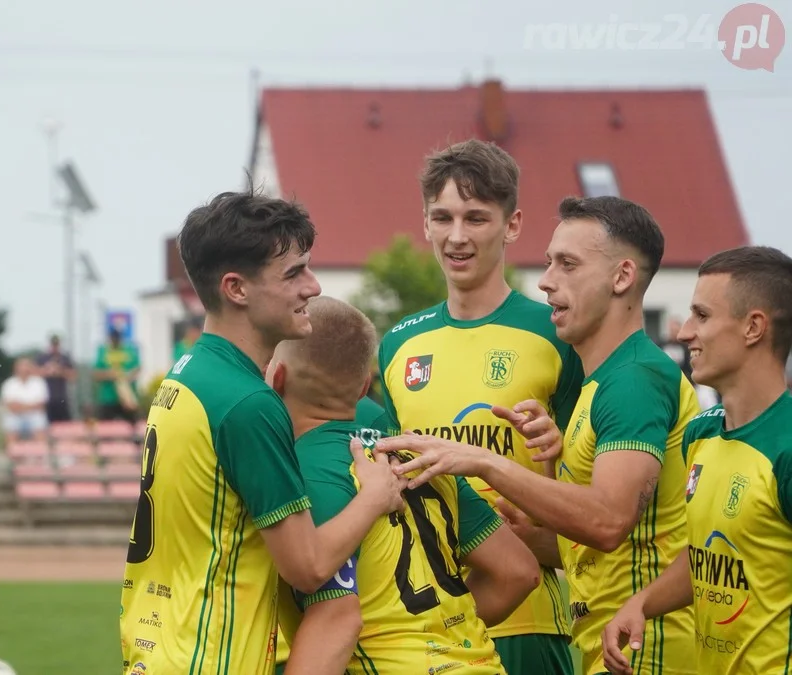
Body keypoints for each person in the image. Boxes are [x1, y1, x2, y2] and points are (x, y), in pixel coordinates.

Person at [376, 196, 698, 675]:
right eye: (549, 262)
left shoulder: (633, 379)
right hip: (611, 647)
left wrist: (486, 462)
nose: (547, 280)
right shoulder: (601, 381)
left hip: (647, 650)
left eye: (567, 264)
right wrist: (522, 536)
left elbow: (609, 522)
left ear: (622, 277)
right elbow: (591, 549)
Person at [119, 190, 407, 675]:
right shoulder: (249, 403)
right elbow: (308, 567)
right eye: (294, 273)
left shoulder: (187, 373)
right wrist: (374, 495)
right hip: (210, 659)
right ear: (236, 288)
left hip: (159, 649)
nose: (313, 288)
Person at [375, 139, 582, 675]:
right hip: (434, 621)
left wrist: (556, 449)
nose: (457, 236)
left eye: (477, 218)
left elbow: (598, 496)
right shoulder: (398, 344)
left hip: (531, 619)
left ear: (512, 225)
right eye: (442, 217)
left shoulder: (557, 332)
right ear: (424, 223)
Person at [272, 297, 540, 675]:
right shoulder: (421, 457)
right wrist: (433, 628)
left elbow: (332, 621)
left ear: (276, 377)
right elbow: (518, 572)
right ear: (366, 385)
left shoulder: (303, 471)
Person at [601, 246, 792, 675]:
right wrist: (641, 603)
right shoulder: (700, 433)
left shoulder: (787, 447)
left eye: (701, 316)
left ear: (753, 327)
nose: (685, 332)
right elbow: (712, 554)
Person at [93, 328, 140, 422]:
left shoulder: (129, 350)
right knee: (106, 428)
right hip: (108, 398)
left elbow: (137, 368)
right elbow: (96, 374)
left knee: (133, 426)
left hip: (127, 399)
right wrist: (110, 375)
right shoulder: (103, 351)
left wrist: (128, 376)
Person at [0, 358, 49, 443]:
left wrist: (20, 406)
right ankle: (14, 452)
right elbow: (11, 407)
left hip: (34, 416)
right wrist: (31, 405)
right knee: (11, 423)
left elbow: (41, 405)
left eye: (27, 366)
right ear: (16, 368)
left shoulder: (39, 382)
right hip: (16, 416)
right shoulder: (9, 384)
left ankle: (40, 453)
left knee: (39, 422)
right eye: (22, 366)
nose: (24, 369)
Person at [35, 334, 76, 423]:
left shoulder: (65, 358)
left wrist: (59, 371)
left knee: (65, 424)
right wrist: (47, 371)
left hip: (62, 397)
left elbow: (73, 376)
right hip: (46, 397)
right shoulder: (42, 358)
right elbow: (35, 373)